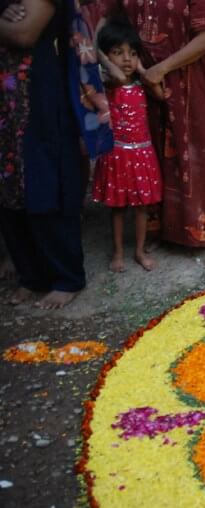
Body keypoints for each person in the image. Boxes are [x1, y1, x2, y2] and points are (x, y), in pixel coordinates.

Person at [102, 0, 205, 248]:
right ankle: (155, 229)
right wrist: (107, 63)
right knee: (150, 151)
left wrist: (161, 69)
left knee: (191, 149)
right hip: (141, 79)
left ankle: (193, 230)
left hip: (188, 78)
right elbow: (105, 20)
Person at [1, 0, 87, 309]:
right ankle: (30, 275)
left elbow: (25, 33)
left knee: (45, 178)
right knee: (9, 183)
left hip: (37, 93)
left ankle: (66, 276)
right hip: (7, 99)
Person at [93, 18, 163, 272]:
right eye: (118, 52)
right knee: (118, 208)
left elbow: (161, 94)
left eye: (133, 53)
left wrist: (144, 71)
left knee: (142, 207)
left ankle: (139, 251)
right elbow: (118, 73)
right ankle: (119, 253)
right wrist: (100, 52)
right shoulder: (112, 83)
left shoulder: (140, 84)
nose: (126, 59)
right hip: (118, 154)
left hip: (142, 152)